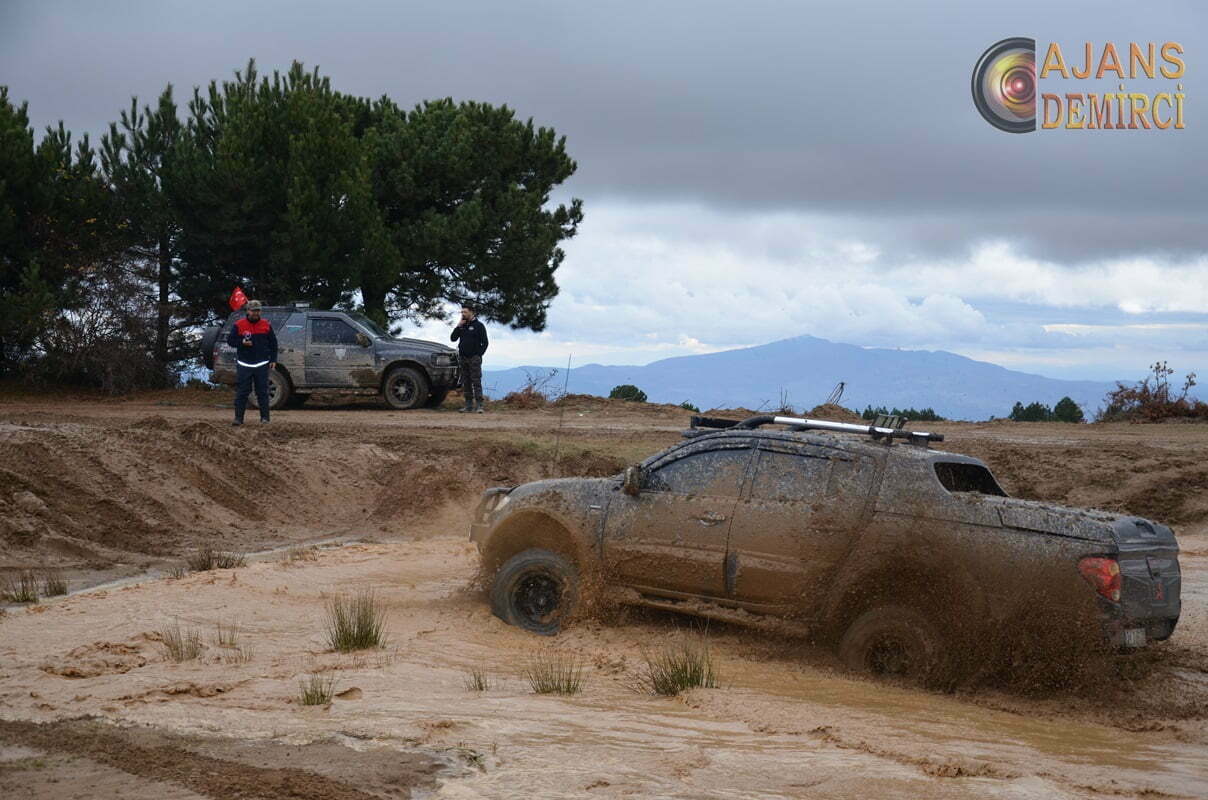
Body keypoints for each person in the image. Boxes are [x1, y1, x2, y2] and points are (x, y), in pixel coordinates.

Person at [227, 300, 278, 425]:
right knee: (242, 392)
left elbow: (273, 343)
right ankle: (238, 418)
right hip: (245, 364)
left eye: (258, 310)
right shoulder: (239, 324)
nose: (256, 313)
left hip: (261, 364)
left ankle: (265, 418)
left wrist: (273, 359)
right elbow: (230, 341)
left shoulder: (266, 324)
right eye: (253, 310)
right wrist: (242, 342)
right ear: (248, 311)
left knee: (262, 392)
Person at [450, 305, 489, 413]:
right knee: (466, 382)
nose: (463, 314)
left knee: (476, 381)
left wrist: (478, 355)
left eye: (465, 312)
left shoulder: (479, 326)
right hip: (463, 358)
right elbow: (453, 338)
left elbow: (485, 343)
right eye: (462, 312)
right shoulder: (462, 326)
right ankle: (468, 405)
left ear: (472, 312)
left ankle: (480, 405)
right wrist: (458, 326)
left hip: (474, 358)